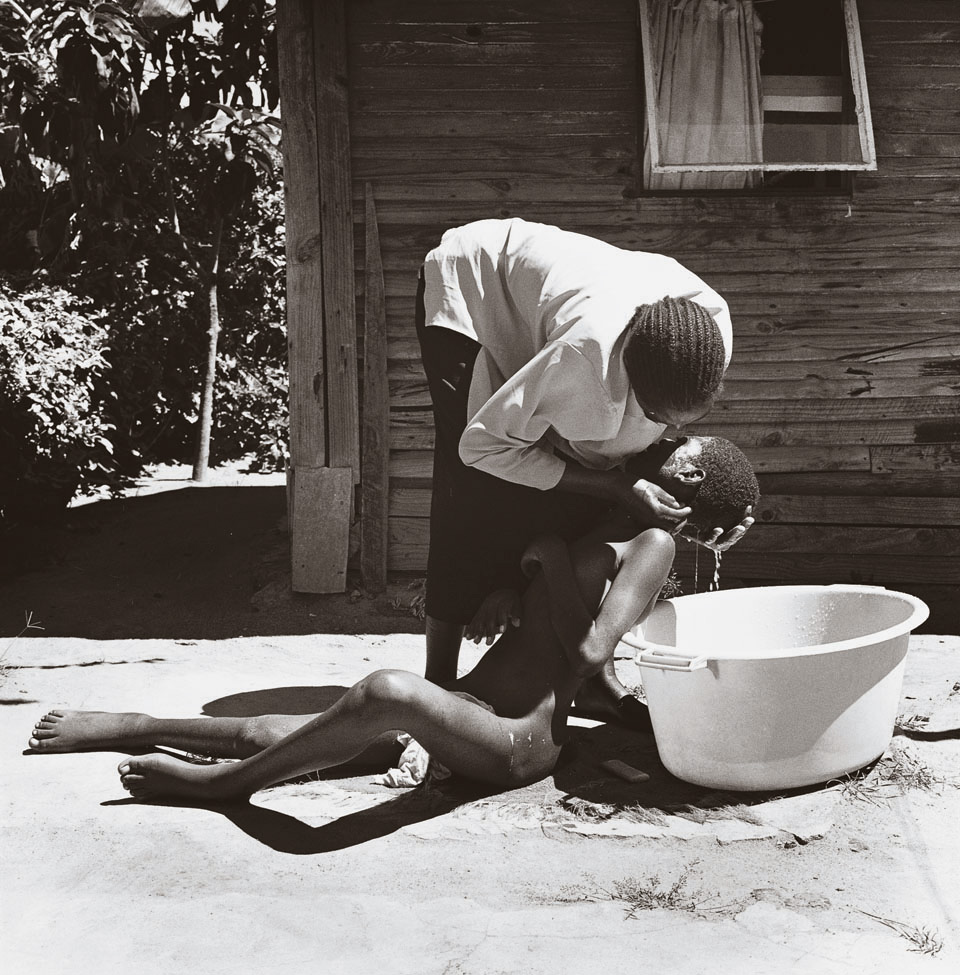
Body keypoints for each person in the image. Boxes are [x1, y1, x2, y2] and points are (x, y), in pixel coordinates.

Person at [26, 437, 758, 803]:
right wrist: (516, 592)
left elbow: (593, 653)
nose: (663, 446)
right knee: (287, 730)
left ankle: (219, 786)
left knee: (386, 691)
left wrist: (552, 558)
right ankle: (136, 723)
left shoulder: (655, 544)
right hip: (470, 708)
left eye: (680, 452)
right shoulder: (608, 518)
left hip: (516, 739)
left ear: (689, 482)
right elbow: (570, 644)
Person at [417, 217, 752, 722]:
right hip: (476, 290)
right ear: (626, 381)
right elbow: (482, 448)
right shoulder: (585, 356)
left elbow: (607, 455)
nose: (667, 433)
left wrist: (707, 516)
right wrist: (612, 484)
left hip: (560, 314)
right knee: (467, 488)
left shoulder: (708, 333)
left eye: (683, 426)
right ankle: (437, 683)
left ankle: (595, 686)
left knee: (579, 482)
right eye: (655, 417)